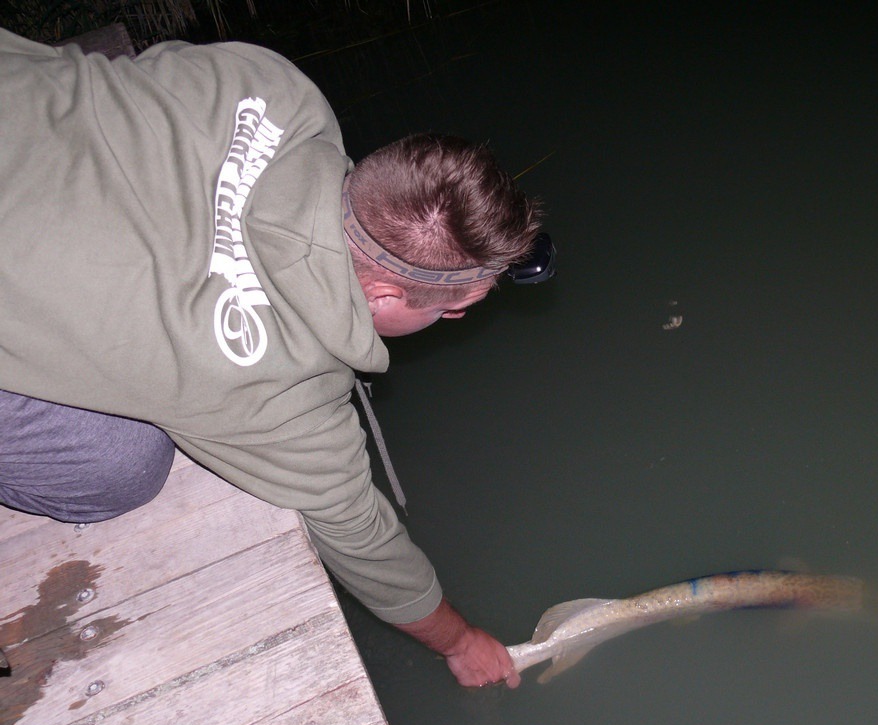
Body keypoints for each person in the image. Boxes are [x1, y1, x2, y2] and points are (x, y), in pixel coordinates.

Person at [0, 27, 541, 688]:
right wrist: (458, 642)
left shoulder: (271, 88)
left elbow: (155, 67)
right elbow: (366, 545)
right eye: (450, 308)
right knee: (118, 465)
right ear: (384, 295)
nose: (454, 319)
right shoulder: (279, 393)